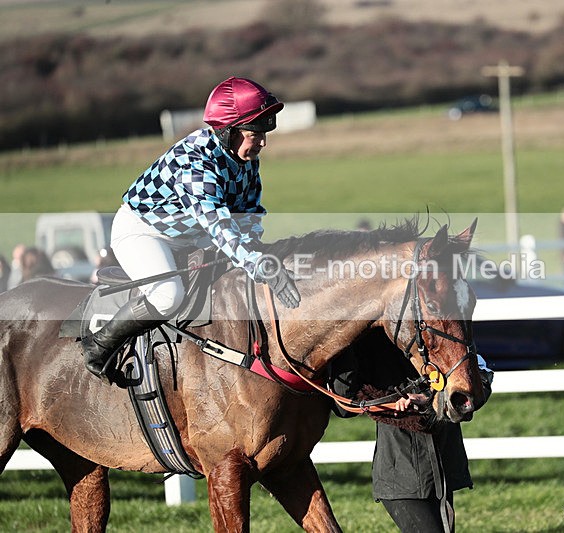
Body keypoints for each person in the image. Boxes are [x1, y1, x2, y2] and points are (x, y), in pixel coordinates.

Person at [82, 76, 301, 383]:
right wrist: (256, 263)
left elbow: (249, 213)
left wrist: (255, 250)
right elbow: (219, 224)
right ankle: (99, 345)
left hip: (190, 235)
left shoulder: (246, 159)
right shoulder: (194, 163)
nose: (262, 141)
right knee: (168, 296)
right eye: (256, 133)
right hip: (143, 231)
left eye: (265, 133)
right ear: (228, 131)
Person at [330, 332, 493, 532]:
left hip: (443, 467)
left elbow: (480, 379)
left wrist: (429, 398)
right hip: (402, 475)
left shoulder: (440, 328)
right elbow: (343, 405)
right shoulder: (369, 340)